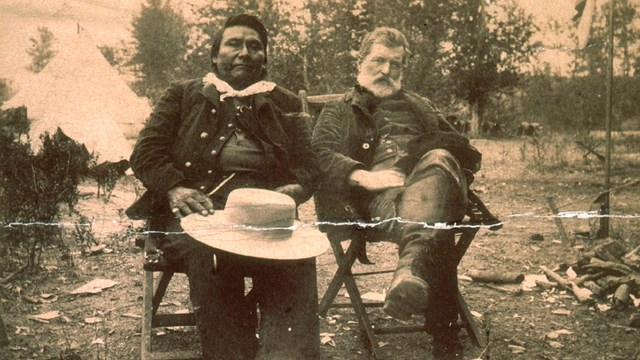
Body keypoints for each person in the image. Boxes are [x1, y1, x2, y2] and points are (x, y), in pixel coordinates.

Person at [126, 14, 322, 359]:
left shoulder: (285, 103)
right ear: (215, 56)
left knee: (298, 257)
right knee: (212, 252)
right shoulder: (184, 94)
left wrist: (294, 188)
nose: (244, 52)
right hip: (193, 216)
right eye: (233, 44)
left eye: (254, 46)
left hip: (264, 219)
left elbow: (308, 164)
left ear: (264, 58)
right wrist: (176, 188)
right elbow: (146, 153)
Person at [312, 27, 482, 360]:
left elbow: (468, 153)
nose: (387, 71)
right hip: (380, 203)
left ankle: (408, 271)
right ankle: (443, 334)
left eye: (396, 65)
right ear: (360, 61)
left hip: (433, 186)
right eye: (378, 61)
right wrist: (361, 175)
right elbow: (318, 153)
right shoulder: (339, 110)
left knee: (438, 160)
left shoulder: (424, 106)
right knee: (437, 224)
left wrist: (430, 160)